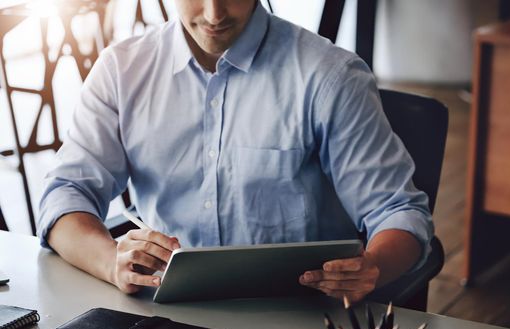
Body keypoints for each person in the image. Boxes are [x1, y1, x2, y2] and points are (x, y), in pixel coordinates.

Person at [38, 0, 433, 301]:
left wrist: (374, 267)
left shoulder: (330, 77)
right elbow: (65, 194)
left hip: (301, 312)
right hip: (161, 312)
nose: (214, 13)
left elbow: (399, 212)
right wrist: (109, 261)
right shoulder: (121, 71)